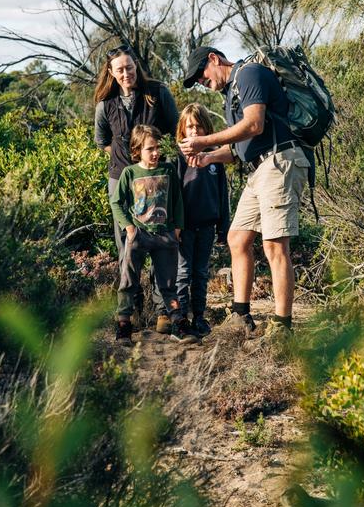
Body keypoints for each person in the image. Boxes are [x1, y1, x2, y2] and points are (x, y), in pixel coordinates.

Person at [180, 46, 310, 337]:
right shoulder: (232, 92)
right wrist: (209, 156)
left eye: (200, 75)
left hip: (279, 162)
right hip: (260, 168)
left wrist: (203, 141)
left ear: (214, 59)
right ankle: (241, 315)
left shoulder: (249, 73)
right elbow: (240, 148)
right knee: (237, 238)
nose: (202, 82)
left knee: (275, 246)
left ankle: (282, 327)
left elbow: (254, 124)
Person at [94, 44, 179, 333]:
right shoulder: (105, 104)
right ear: (111, 72)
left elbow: (174, 128)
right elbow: (102, 140)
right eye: (119, 69)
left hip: (156, 180)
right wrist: (127, 163)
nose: (126, 73)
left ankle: (162, 311)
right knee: (127, 244)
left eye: (129, 67)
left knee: (158, 241)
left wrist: (152, 160)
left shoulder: (156, 93)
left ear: (136, 66)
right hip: (121, 178)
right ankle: (131, 311)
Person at [111, 124, 196, 345]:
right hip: (139, 236)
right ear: (137, 150)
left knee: (168, 284)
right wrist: (129, 228)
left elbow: (178, 202)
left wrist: (177, 228)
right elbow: (116, 202)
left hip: (165, 236)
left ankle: (178, 323)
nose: (156, 152)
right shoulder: (130, 173)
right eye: (150, 149)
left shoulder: (167, 170)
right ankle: (124, 326)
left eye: (158, 147)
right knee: (128, 281)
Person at [175, 103, 230, 336]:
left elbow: (222, 194)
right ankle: (179, 319)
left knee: (201, 273)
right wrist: (174, 226)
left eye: (198, 126)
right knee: (183, 272)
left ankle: (199, 317)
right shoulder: (177, 157)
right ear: (182, 131)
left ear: (207, 129)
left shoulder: (215, 156)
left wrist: (223, 227)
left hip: (207, 225)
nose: (194, 131)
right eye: (189, 127)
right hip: (184, 227)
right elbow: (172, 195)